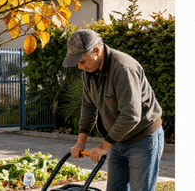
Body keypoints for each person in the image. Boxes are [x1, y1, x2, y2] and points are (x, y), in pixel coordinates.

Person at [63, 29, 164, 191]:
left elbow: (131, 115)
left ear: (96, 51)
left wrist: (103, 146)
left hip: (143, 138)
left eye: (81, 61)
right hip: (117, 140)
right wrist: (80, 143)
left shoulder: (123, 69)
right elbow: (88, 107)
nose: (79, 67)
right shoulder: (89, 71)